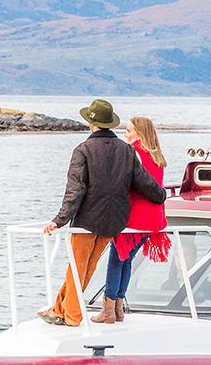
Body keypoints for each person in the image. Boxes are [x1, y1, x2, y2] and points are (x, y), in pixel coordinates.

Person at [38, 100, 167, 327]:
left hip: (88, 220)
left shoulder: (83, 150)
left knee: (78, 267)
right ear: (109, 123)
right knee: (88, 266)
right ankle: (60, 309)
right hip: (115, 221)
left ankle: (72, 316)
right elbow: (148, 185)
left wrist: (58, 221)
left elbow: (75, 190)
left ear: (91, 123)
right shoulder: (126, 150)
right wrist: (161, 195)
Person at [93, 115, 169, 324]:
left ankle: (108, 311)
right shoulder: (157, 156)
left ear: (139, 133)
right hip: (154, 218)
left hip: (136, 218)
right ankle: (118, 310)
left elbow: (125, 183)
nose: (125, 134)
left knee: (116, 261)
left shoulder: (133, 152)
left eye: (128, 130)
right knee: (125, 261)